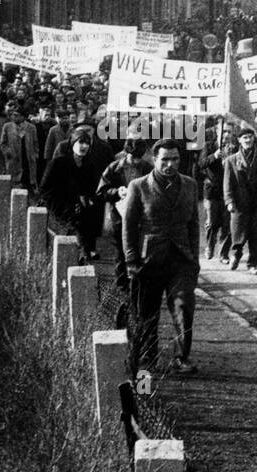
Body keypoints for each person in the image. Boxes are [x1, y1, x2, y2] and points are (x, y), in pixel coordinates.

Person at [122, 139, 201, 375]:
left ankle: (181, 357)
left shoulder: (190, 185)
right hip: (149, 260)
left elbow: (194, 225)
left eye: (175, 159)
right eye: (164, 159)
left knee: (184, 305)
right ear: (154, 160)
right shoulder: (139, 186)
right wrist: (131, 260)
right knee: (147, 313)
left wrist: (194, 259)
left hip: (181, 259)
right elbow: (129, 225)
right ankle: (148, 360)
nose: (169, 164)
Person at [39, 125, 104, 261]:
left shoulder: (90, 165)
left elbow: (93, 188)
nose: (84, 146)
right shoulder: (58, 163)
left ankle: (85, 251)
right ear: (73, 143)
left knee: (89, 215)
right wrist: (70, 199)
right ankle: (78, 253)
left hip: (80, 209)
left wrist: (88, 199)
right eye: (81, 142)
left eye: (87, 143)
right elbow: (45, 189)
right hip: (58, 206)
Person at [98, 138, 153, 292]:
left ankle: (137, 284)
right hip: (119, 216)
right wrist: (116, 192)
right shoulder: (114, 168)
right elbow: (101, 191)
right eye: (132, 157)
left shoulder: (148, 169)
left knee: (140, 251)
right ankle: (121, 286)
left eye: (139, 158)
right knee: (121, 253)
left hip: (141, 217)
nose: (136, 161)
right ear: (126, 154)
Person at [224, 127, 257, 273]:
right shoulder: (231, 160)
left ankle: (253, 264)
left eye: (250, 137)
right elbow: (227, 183)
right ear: (239, 140)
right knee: (238, 232)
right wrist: (229, 201)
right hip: (240, 203)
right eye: (245, 137)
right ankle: (235, 255)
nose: (248, 140)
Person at [199, 124, 236, 262]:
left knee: (227, 223)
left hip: (228, 191)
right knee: (212, 222)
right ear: (218, 131)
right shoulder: (209, 146)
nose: (226, 134)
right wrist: (213, 156)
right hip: (212, 190)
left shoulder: (234, 149)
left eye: (229, 132)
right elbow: (201, 164)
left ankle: (223, 253)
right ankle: (209, 246)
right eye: (224, 131)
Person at [0, 109, 41, 190]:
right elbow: (3, 143)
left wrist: (35, 154)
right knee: (14, 182)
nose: (14, 117)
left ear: (23, 117)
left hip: (28, 158)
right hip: (14, 158)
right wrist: (8, 152)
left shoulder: (31, 127)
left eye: (16, 115)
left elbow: (35, 142)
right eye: (13, 115)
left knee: (28, 181)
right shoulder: (7, 126)